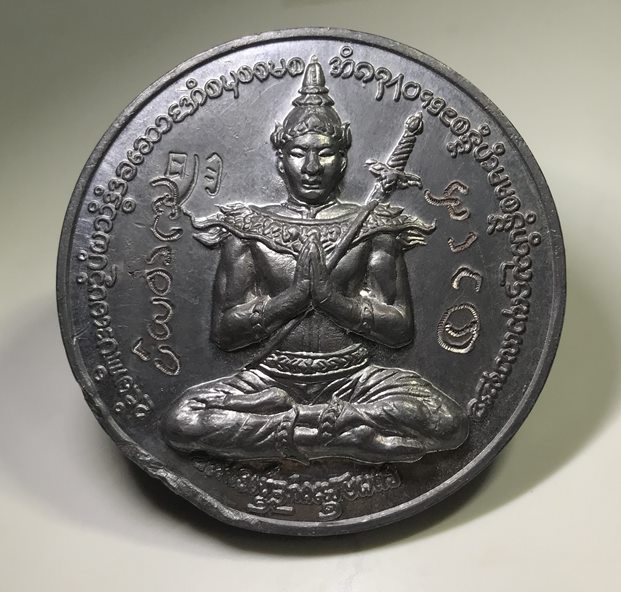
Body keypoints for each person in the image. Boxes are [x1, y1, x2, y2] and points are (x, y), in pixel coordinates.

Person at [163, 58, 468, 464]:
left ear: (342, 161)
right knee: (181, 421)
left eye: (324, 154)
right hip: (269, 377)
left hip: (354, 378)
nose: (310, 167)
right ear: (280, 160)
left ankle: (305, 423)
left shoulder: (374, 225)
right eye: (298, 153)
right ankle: (347, 435)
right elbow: (225, 333)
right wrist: (290, 300)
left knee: (448, 422)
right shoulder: (248, 227)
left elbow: (400, 330)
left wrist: (332, 301)